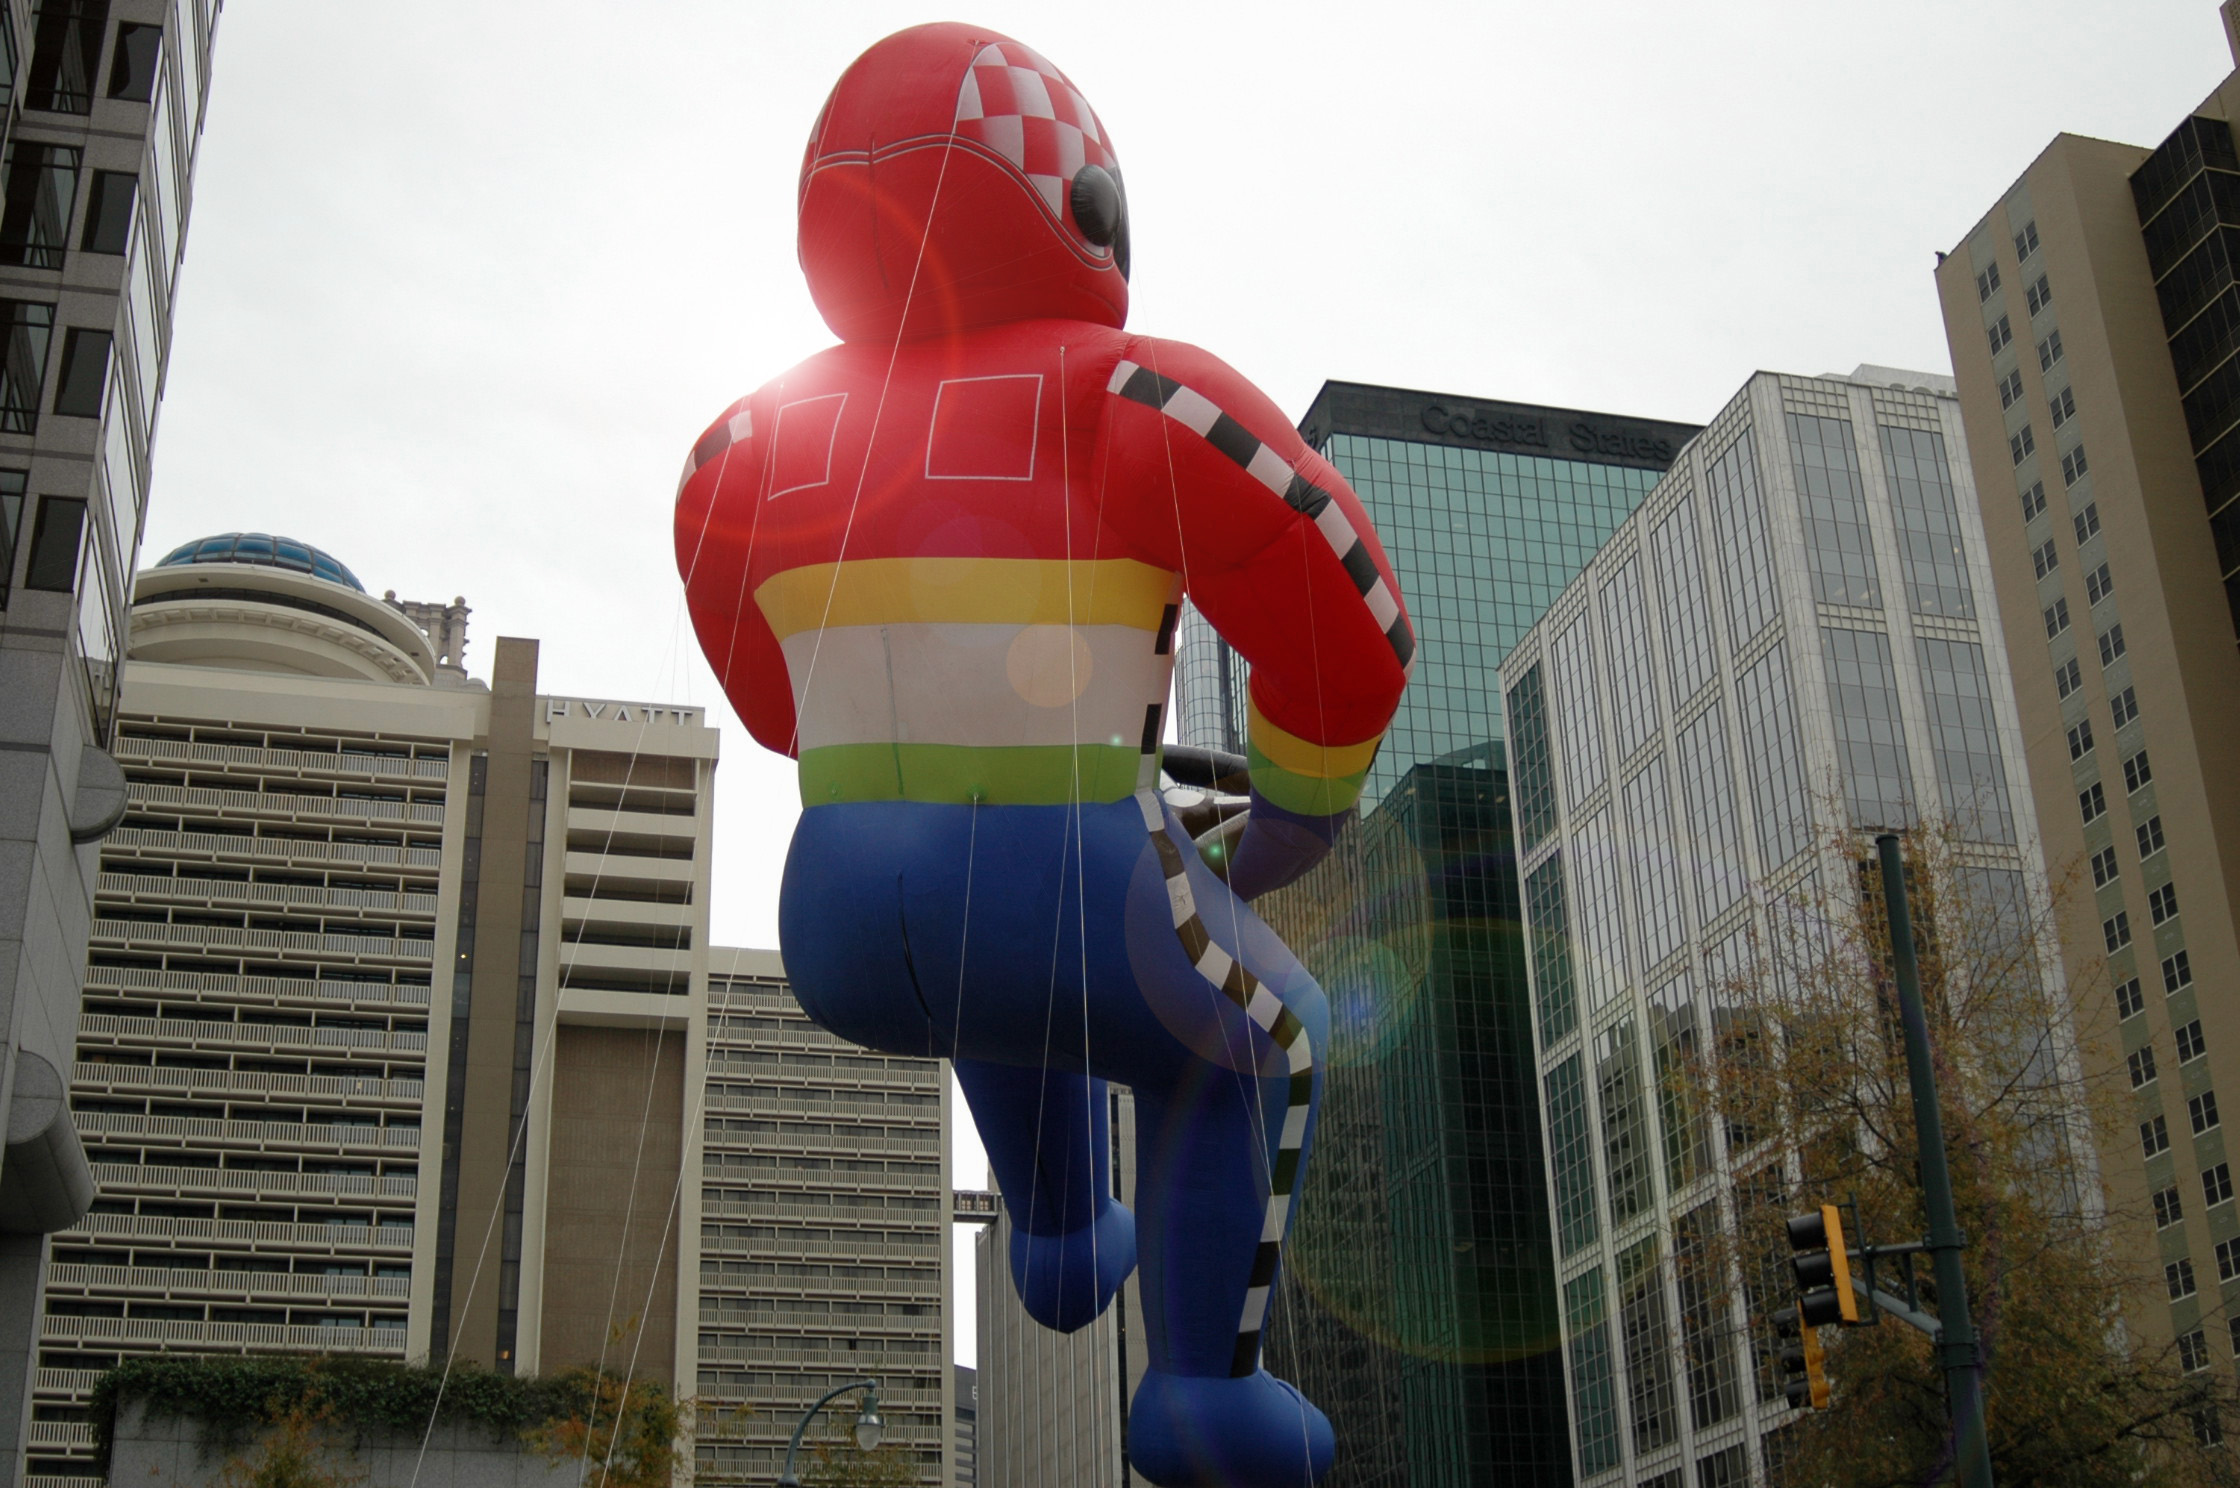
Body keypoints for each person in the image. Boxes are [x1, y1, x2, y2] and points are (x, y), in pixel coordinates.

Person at [674, 25, 1411, 1485]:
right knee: (1261, 1033)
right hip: (1062, 869)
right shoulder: (1137, 394)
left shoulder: (740, 445)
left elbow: (766, 705)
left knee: (1001, 975)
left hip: (832, 918)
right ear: (1081, 204)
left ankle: (1066, 1232)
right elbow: (1350, 616)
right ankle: (1202, 1394)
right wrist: (1295, 820)